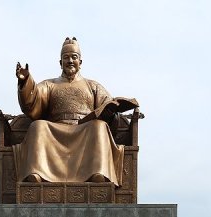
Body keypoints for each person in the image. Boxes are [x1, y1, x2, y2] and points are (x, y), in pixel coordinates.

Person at [14, 37, 131, 185]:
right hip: (56, 129)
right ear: (60, 62)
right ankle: (37, 173)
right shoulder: (50, 84)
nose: (70, 61)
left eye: (74, 57)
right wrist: (25, 81)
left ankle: (98, 173)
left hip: (85, 129)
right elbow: (33, 99)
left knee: (99, 126)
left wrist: (112, 112)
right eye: (66, 58)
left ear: (80, 62)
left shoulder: (92, 86)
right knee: (38, 126)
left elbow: (107, 104)